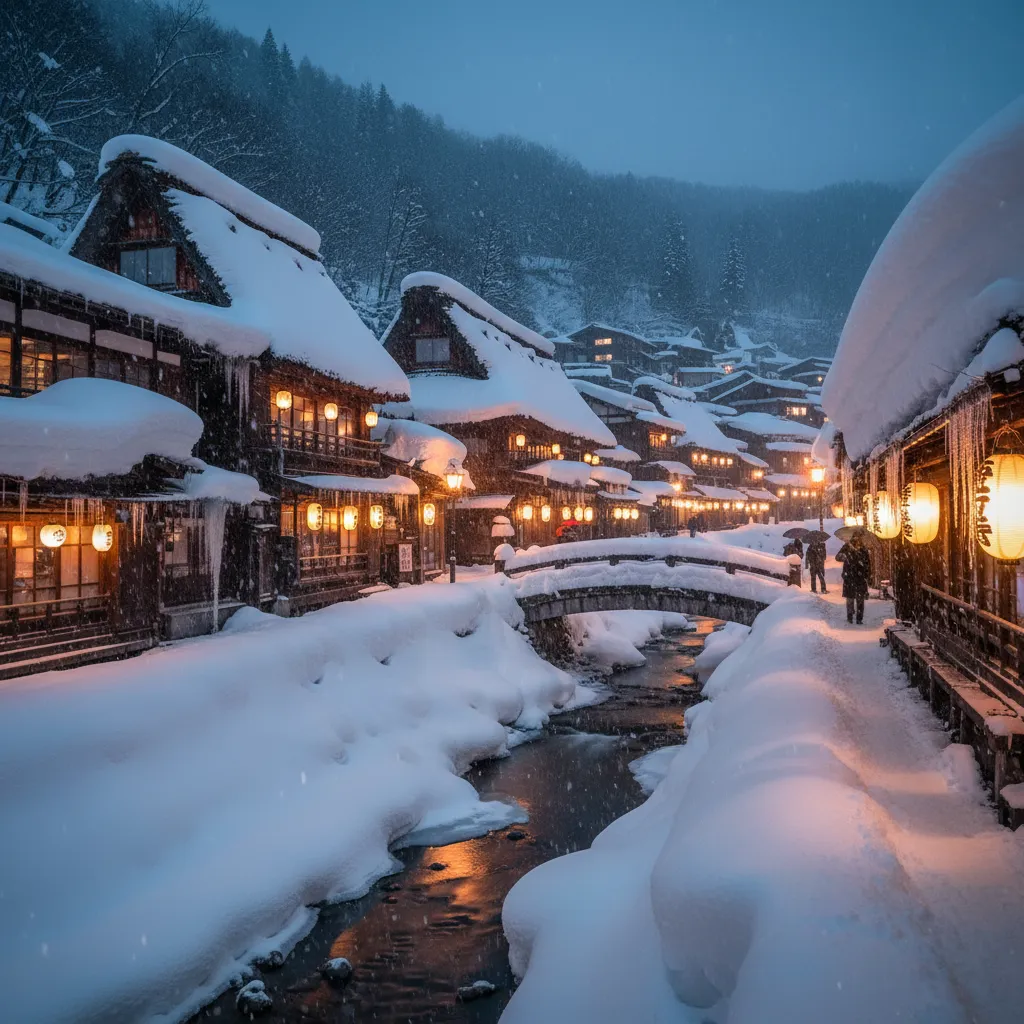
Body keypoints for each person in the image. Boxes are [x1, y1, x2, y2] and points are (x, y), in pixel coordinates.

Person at [837, 533, 871, 624]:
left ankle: (856, 618)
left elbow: (867, 563)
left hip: (856, 577)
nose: (857, 540)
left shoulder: (862, 549)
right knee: (852, 598)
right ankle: (853, 617)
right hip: (852, 576)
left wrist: (867, 575)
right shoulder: (848, 547)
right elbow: (838, 557)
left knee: (854, 599)